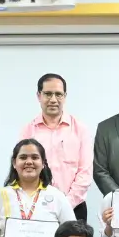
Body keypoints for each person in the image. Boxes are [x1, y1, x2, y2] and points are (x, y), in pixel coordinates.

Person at [19, 74, 93, 220]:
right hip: (37, 209)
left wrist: (65, 205)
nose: (53, 99)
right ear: (39, 96)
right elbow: (22, 170)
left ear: (64, 96)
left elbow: (85, 172)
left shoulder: (80, 130)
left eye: (58, 94)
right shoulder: (28, 131)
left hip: (74, 207)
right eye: (48, 94)